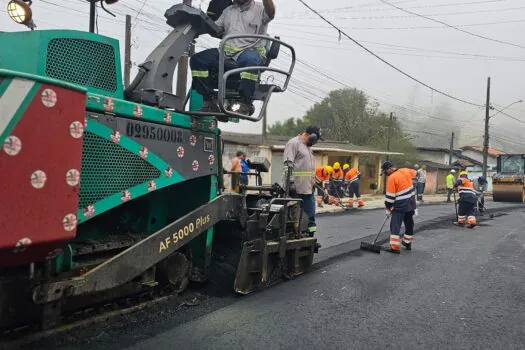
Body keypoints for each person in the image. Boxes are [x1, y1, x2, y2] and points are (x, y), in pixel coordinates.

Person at [190, 0, 276, 115]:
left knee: (250, 61)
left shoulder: (260, 9)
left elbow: (271, 13)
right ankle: (208, 101)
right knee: (198, 60)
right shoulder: (228, 11)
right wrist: (198, 26)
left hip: (249, 50)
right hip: (227, 52)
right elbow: (216, 29)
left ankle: (245, 101)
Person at [283, 126, 323, 241]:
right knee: (294, 218)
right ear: (310, 135)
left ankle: (310, 240)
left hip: (308, 189)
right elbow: (287, 164)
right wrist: (290, 182)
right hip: (295, 189)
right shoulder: (293, 143)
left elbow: (308, 169)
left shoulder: (309, 148)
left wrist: (313, 182)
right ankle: (293, 239)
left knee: (310, 217)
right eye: (316, 139)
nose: (316, 142)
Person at [381, 161, 417, 254]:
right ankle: (407, 242)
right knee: (409, 222)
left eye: (385, 172)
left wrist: (388, 207)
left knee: (395, 223)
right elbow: (415, 172)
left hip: (401, 203)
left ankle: (394, 247)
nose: (386, 174)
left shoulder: (392, 178)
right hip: (411, 201)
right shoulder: (405, 170)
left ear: (389, 169)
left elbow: (390, 197)